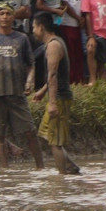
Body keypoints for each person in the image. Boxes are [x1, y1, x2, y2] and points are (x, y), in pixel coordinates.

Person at [0, 1, 43, 169]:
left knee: (30, 131)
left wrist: (29, 80)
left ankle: (40, 167)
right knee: (0, 134)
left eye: (8, 14)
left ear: (13, 17)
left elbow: (31, 64)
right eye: (1, 14)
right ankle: (4, 171)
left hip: (17, 93)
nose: (5, 17)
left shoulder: (22, 38)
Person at [32, 12, 80, 175]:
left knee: (55, 142)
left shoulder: (53, 45)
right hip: (58, 95)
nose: (33, 31)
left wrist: (52, 103)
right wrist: (42, 91)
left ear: (41, 27)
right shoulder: (55, 43)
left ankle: (62, 178)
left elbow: (52, 75)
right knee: (46, 134)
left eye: (34, 27)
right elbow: (54, 74)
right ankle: (71, 167)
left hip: (60, 98)